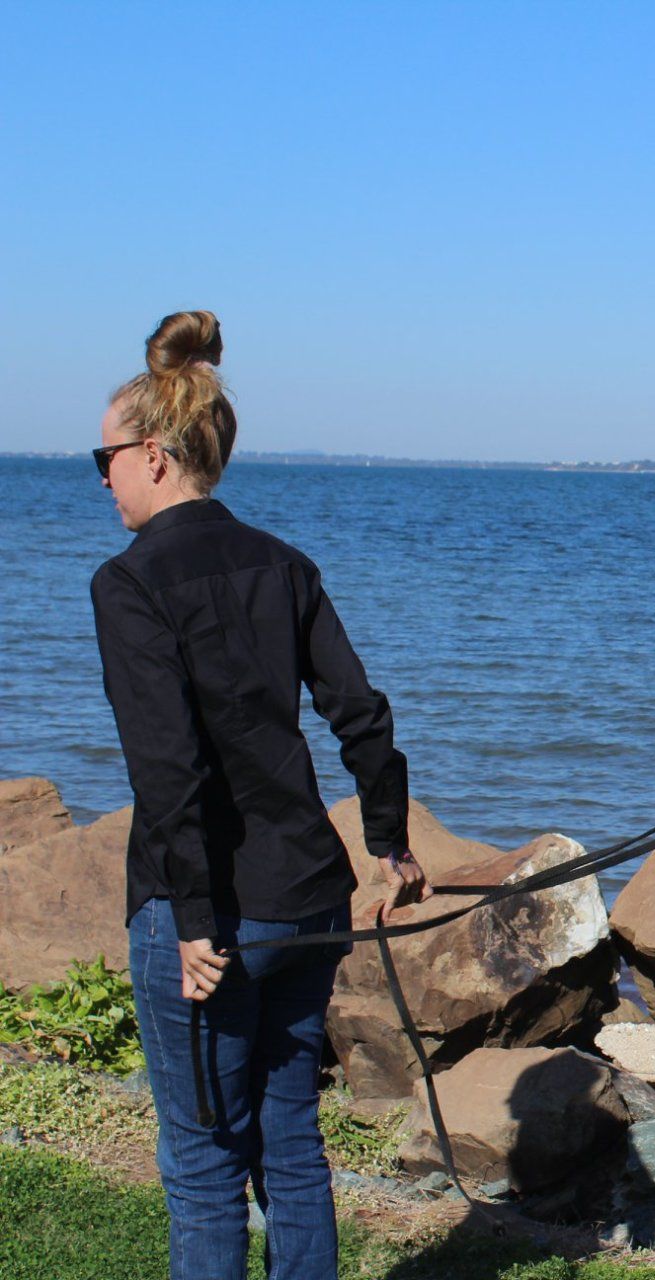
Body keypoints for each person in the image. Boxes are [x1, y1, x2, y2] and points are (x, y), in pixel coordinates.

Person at [90, 310, 431, 1280]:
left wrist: (196, 917)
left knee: (203, 1166)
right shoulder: (283, 563)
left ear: (153, 454)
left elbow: (169, 769)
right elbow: (359, 711)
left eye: (104, 455)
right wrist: (389, 842)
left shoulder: (130, 582)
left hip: (212, 917)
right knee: (288, 1143)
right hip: (309, 898)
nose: (100, 475)